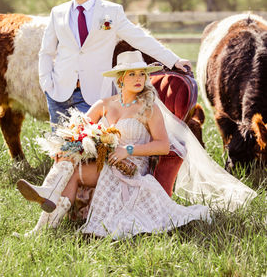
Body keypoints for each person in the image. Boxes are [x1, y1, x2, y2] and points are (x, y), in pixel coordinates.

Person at [16, 51, 216, 238]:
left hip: (130, 167)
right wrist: (66, 147)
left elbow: (163, 146)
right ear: (120, 79)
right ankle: (40, 229)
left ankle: (47, 194)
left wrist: (127, 149)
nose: (138, 79)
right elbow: (78, 130)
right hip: (105, 161)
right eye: (132, 74)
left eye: (141, 74)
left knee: (72, 172)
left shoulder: (149, 108)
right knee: (68, 160)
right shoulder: (104, 104)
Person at [38, 0, 191, 125]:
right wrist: (46, 83)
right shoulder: (57, 13)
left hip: (94, 94)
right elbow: (46, 52)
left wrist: (173, 60)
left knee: (89, 146)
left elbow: (140, 38)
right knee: (59, 148)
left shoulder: (111, 11)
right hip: (59, 93)